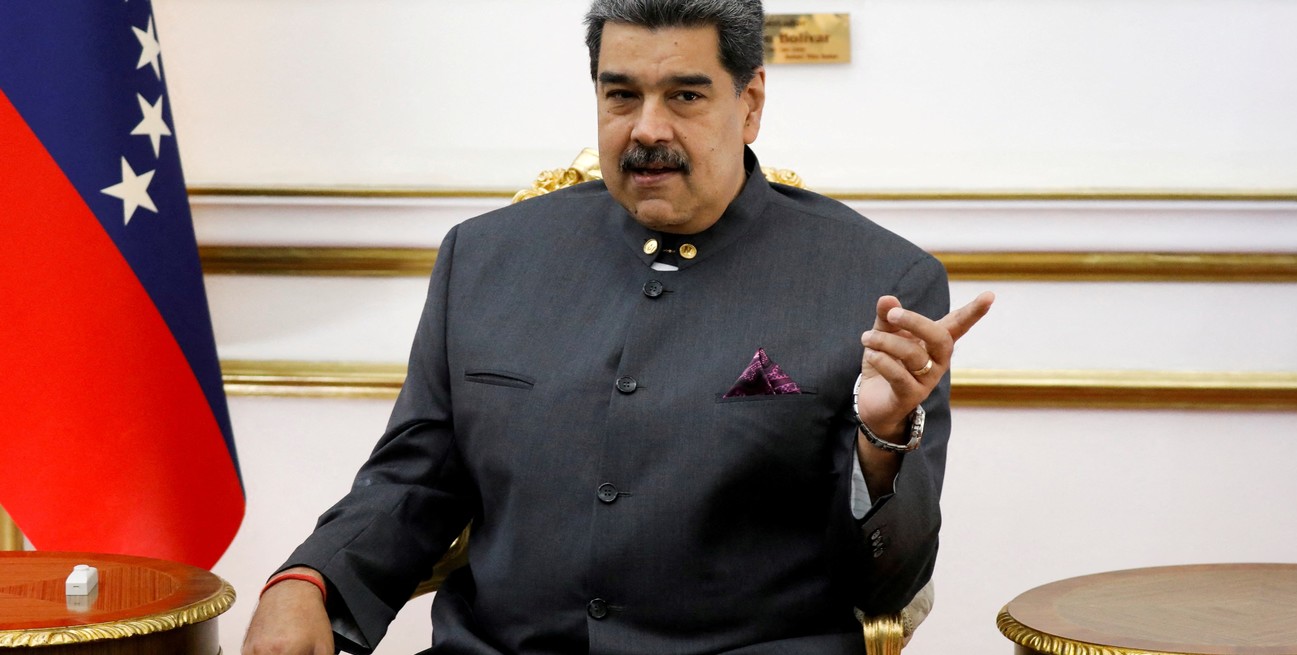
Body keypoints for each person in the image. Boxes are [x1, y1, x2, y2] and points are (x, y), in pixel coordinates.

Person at [243, 1, 993, 653]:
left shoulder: (881, 286)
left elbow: (889, 582)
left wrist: (881, 443)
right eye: (621, 95)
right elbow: (414, 479)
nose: (647, 128)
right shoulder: (485, 258)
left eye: (686, 95)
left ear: (750, 103)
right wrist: (308, 579)